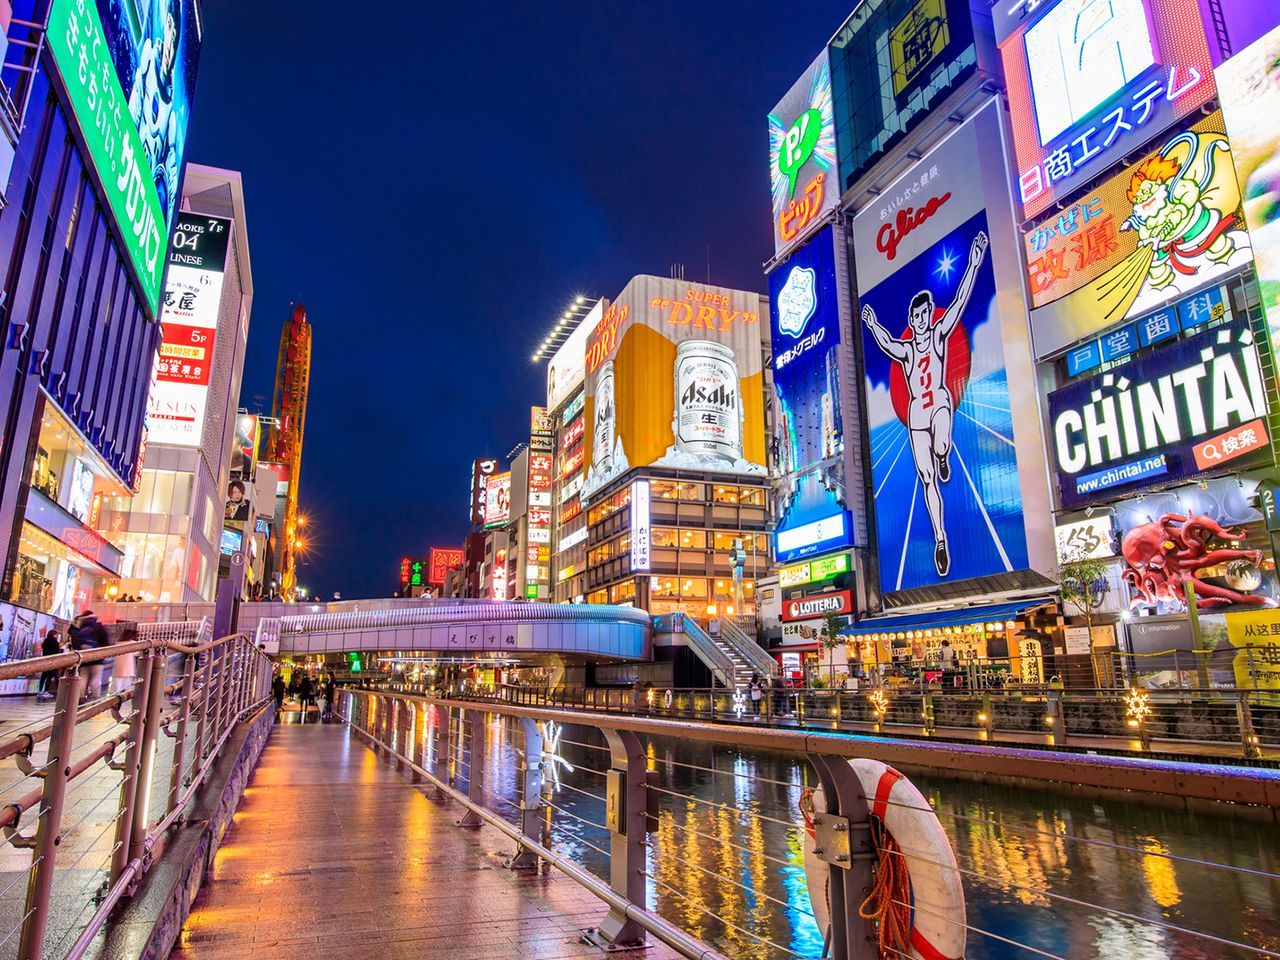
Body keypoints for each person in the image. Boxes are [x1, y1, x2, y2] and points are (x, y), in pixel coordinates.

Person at [861, 230, 988, 577]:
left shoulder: (938, 334)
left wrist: (975, 262)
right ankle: (940, 538)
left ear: (929, 314)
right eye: (915, 317)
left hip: (941, 403)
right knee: (927, 477)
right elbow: (888, 342)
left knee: (942, 444)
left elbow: (961, 300)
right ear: (911, 319)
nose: (920, 321)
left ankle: (944, 453)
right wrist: (872, 326)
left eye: (924, 315)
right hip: (918, 413)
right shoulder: (906, 351)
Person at [69, 611, 110, 701]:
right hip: (97, 656)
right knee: (96, 677)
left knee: (83, 677)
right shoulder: (99, 626)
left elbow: (76, 642)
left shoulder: (81, 627)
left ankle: (80, 697)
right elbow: (106, 641)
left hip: (84, 656)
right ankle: (95, 697)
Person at [36, 627, 63, 701]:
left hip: (45, 660)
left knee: (43, 676)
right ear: (54, 635)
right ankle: (45, 691)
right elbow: (57, 652)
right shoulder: (55, 642)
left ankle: (40, 690)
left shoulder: (45, 641)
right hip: (52, 661)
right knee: (49, 677)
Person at [112, 626, 139, 695]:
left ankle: (115, 699)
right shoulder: (133, 643)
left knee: (117, 686)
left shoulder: (118, 643)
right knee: (127, 686)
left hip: (118, 667)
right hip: (128, 667)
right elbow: (136, 653)